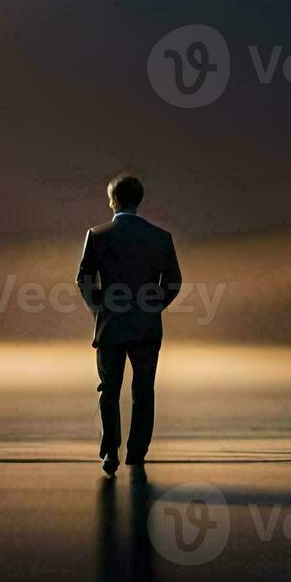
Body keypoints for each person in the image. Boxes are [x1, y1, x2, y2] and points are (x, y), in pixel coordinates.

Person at [76, 173, 183, 476]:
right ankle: (137, 453)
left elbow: (83, 278)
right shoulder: (161, 237)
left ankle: (110, 450)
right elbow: (173, 282)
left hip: (110, 325)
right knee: (144, 389)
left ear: (113, 200)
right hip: (146, 327)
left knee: (109, 389)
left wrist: (99, 307)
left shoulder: (97, 235)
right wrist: (151, 307)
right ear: (140, 200)